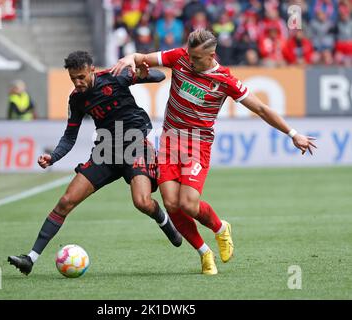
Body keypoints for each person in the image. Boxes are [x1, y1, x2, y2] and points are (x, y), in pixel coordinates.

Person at [111, 29, 317, 275]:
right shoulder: (179, 57)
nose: (191, 61)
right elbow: (143, 58)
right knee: (170, 203)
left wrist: (294, 134)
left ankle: (220, 229)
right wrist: (129, 58)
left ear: (211, 55)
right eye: (190, 56)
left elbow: (261, 109)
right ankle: (204, 252)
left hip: (198, 144)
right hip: (169, 141)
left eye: (197, 58)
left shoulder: (225, 80)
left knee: (187, 204)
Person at [8, 51, 182, 275]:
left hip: (135, 146)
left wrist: (143, 74)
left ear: (92, 70)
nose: (77, 83)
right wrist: (53, 157)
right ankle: (30, 259)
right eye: (73, 78)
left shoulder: (115, 76)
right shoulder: (76, 99)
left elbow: (159, 77)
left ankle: (164, 220)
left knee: (142, 202)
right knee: (66, 201)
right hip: (105, 152)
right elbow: (69, 137)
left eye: (81, 77)